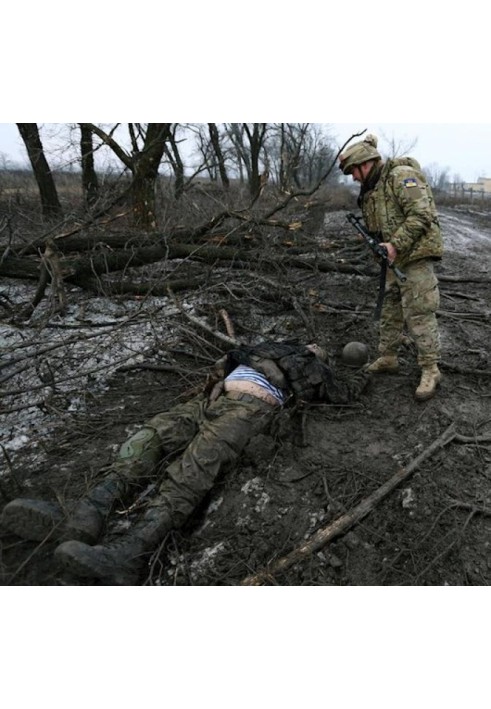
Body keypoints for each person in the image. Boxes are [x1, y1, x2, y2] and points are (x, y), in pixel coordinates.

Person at [1, 340, 370, 585]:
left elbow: (346, 393)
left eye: (317, 350)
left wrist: (366, 368)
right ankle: (85, 516)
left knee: (195, 467)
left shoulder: (315, 370)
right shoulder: (266, 346)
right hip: (208, 401)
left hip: (249, 411)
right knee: (149, 437)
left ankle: (131, 551)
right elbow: (225, 359)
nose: (311, 348)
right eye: (310, 345)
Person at [339, 133, 444, 401]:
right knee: (390, 309)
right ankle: (388, 356)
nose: (353, 177)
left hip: (415, 255)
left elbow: (422, 214)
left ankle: (431, 369)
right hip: (394, 259)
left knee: (419, 312)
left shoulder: (401, 176)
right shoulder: (373, 188)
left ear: (366, 163)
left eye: (354, 171)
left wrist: (395, 244)